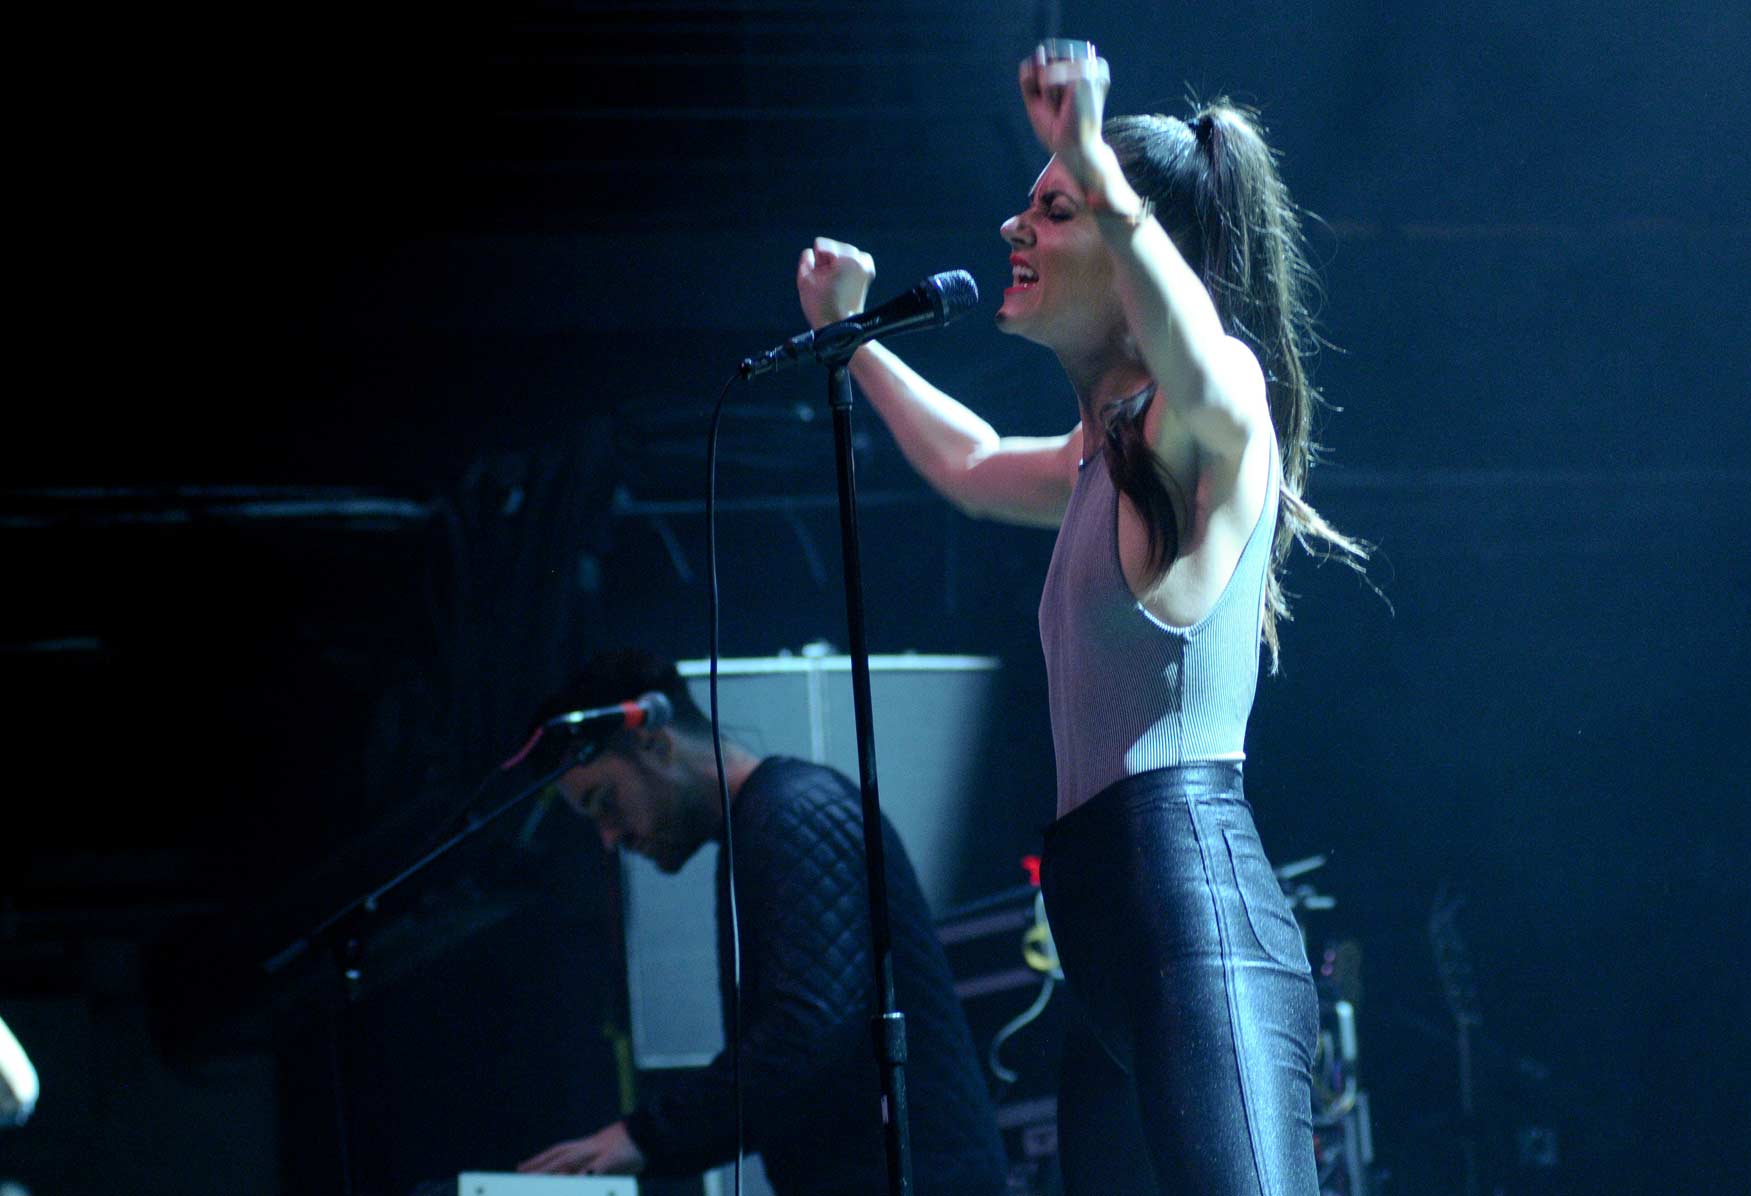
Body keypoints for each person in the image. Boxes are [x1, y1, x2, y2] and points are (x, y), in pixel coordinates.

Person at [793, 44, 1366, 1196]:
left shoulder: (1217, 401)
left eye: (1054, 210)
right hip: (1109, 940)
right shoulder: (1098, 456)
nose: (1015, 225)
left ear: (1134, 247)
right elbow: (967, 462)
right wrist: (850, 340)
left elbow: (1195, 353)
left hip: (1194, 916)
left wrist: (1092, 159)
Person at [516, 649, 1007, 1196]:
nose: (610, 837)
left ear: (656, 744)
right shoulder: (767, 820)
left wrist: (644, 1137)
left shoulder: (792, 812)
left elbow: (804, 1034)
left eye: (604, 801)